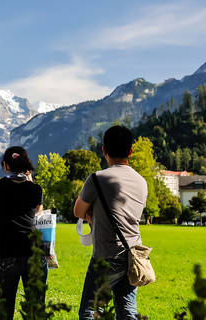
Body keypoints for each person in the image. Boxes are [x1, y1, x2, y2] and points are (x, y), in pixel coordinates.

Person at [74, 125, 148, 320]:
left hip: (106, 255)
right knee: (127, 311)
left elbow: (78, 211)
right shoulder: (142, 182)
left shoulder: (97, 179)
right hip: (133, 255)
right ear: (130, 152)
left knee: (89, 312)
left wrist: (91, 214)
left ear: (104, 150)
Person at [0, 146, 48, 320]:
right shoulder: (35, 189)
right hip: (34, 254)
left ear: (5, 165)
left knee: (4, 312)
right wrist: (29, 178)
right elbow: (38, 211)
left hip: (7, 253)